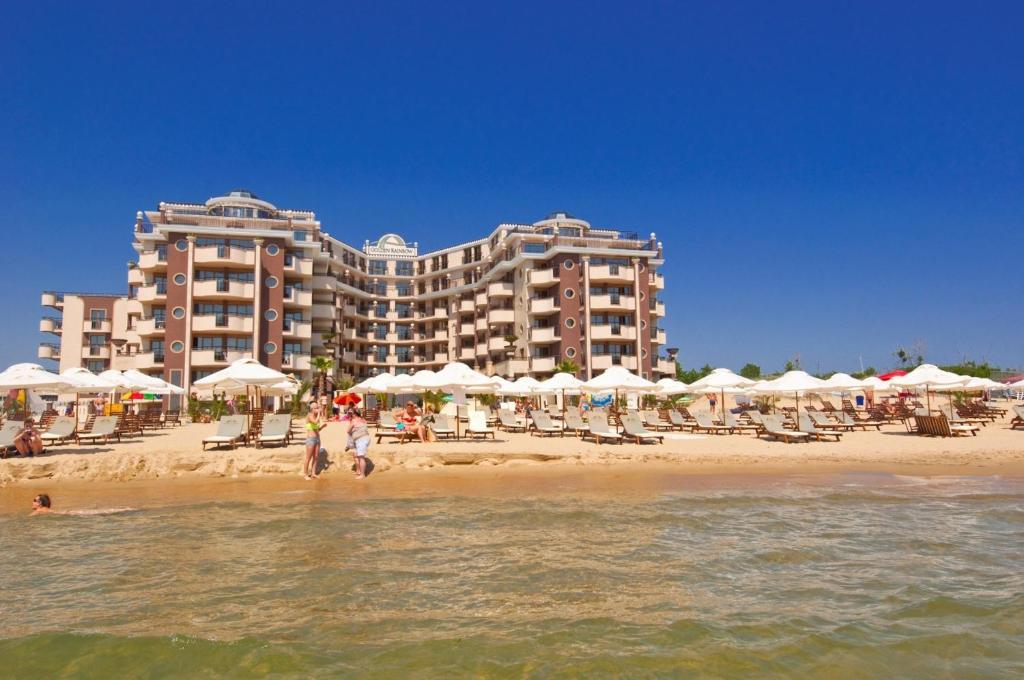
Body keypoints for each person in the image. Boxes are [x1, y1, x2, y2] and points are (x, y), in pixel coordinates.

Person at [341, 406, 371, 479]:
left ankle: (362, 475)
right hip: (366, 438)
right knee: (357, 455)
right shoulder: (363, 419)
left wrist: (352, 428)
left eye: (351, 413)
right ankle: (359, 471)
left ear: (354, 414)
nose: (350, 414)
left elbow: (348, 431)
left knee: (361, 457)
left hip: (361, 439)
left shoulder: (354, 420)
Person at [302, 403, 328, 480]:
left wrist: (322, 427)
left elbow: (317, 429)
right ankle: (305, 474)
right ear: (312, 409)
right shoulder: (309, 415)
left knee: (316, 457)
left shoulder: (317, 416)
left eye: (318, 407)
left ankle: (313, 473)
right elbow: (315, 422)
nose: (318, 409)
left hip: (317, 439)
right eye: (317, 408)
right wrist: (319, 413)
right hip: (311, 439)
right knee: (308, 457)